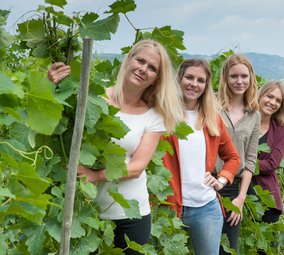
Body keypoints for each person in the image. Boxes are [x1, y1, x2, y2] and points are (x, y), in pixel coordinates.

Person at [48, 39, 184, 254]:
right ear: (128, 59)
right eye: (140, 60)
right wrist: (54, 87)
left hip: (130, 216)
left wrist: (95, 176)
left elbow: (137, 167)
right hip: (85, 211)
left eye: (152, 68)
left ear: (155, 79)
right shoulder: (94, 97)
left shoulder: (153, 116)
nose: (143, 69)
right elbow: (57, 128)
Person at [162, 59, 240, 255]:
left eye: (200, 80)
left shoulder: (212, 119)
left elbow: (233, 158)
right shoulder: (162, 115)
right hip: (167, 207)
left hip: (206, 208)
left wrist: (221, 180)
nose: (194, 84)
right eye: (189, 77)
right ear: (178, 79)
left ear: (206, 86)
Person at [214, 54, 260, 254]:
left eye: (244, 76)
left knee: (227, 248)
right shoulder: (210, 105)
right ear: (225, 78)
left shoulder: (254, 114)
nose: (239, 81)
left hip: (233, 190)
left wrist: (241, 198)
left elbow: (250, 160)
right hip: (207, 184)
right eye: (234, 76)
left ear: (251, 78)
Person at [255, 81, 284, 224]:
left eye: (278, 100)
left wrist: (242, 164)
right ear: (260, 96)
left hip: (267, 199)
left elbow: (271, 164)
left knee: (264, 245)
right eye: (270, 96)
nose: (272, 102)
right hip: (238, 194)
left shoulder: (281, 131)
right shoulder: (244, 122)